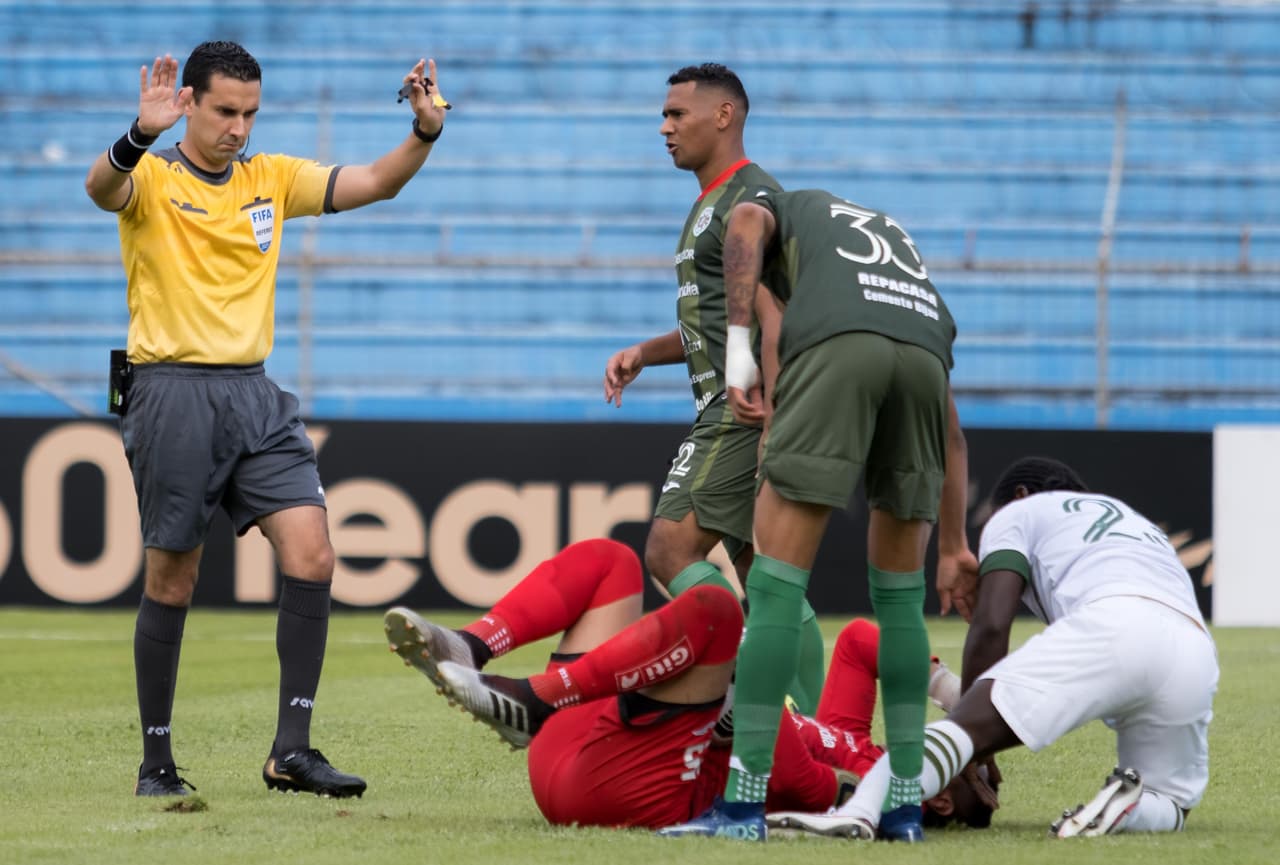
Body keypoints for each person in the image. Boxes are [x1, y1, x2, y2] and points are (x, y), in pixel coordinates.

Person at [83, 41, 449, 797]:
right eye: (224, 111)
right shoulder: (149, 173)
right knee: (173, 576)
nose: (239, 128)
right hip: (171, 389)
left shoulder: (271, 177)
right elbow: (98, 189)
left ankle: (292, 750)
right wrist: (137, 133)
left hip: (254, 393)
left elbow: (376, 182)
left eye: (250, 112)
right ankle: (157, 762)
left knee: (313, 552)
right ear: (188, 103)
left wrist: (424, 132)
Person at [659, 188, 977, 842]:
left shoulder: (782, 205)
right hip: (923, 358)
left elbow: (745, 224)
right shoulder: (888, 240)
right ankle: (904, 810)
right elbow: (953, 432)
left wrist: (740, 358)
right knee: (900, 599)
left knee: (775, 583)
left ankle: (743, 806)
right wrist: (954, 544)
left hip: (839, 350)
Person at [382, 538, 993, 831]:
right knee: (609, 561)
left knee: (717, 613)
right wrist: (962, 694)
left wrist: (749, 690)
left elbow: (786, 778)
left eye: (973, 759)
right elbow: (862, 643)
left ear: (937, 797)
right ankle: (474, 646)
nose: (973, 739)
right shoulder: (860, 745)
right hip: (589, 738)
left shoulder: (855, 793)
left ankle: (537, 699)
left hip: (626, 784)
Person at [816, 456, 1218, 839]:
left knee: (960, 734)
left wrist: (975, 735)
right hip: (1194, 651)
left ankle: (859, 811)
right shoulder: (1133, 520)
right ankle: (1127, 807)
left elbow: (992, 624)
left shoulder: (1018, 512)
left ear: (1021, 494)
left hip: (1114, 623)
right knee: (1168, 802)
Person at [601, 63, 826, 714]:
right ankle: (815, 732)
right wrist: (647, 351)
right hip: (737, 400)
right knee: (768, 578)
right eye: (664, 116)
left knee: (671, 547)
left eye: (678, 114)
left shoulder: (749, 198)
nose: (665, 127)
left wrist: (772, 412)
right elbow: (719, 313)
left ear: (723, 116)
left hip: (742, 406)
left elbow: (775, 316)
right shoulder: (708, 203)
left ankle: (744, 672)